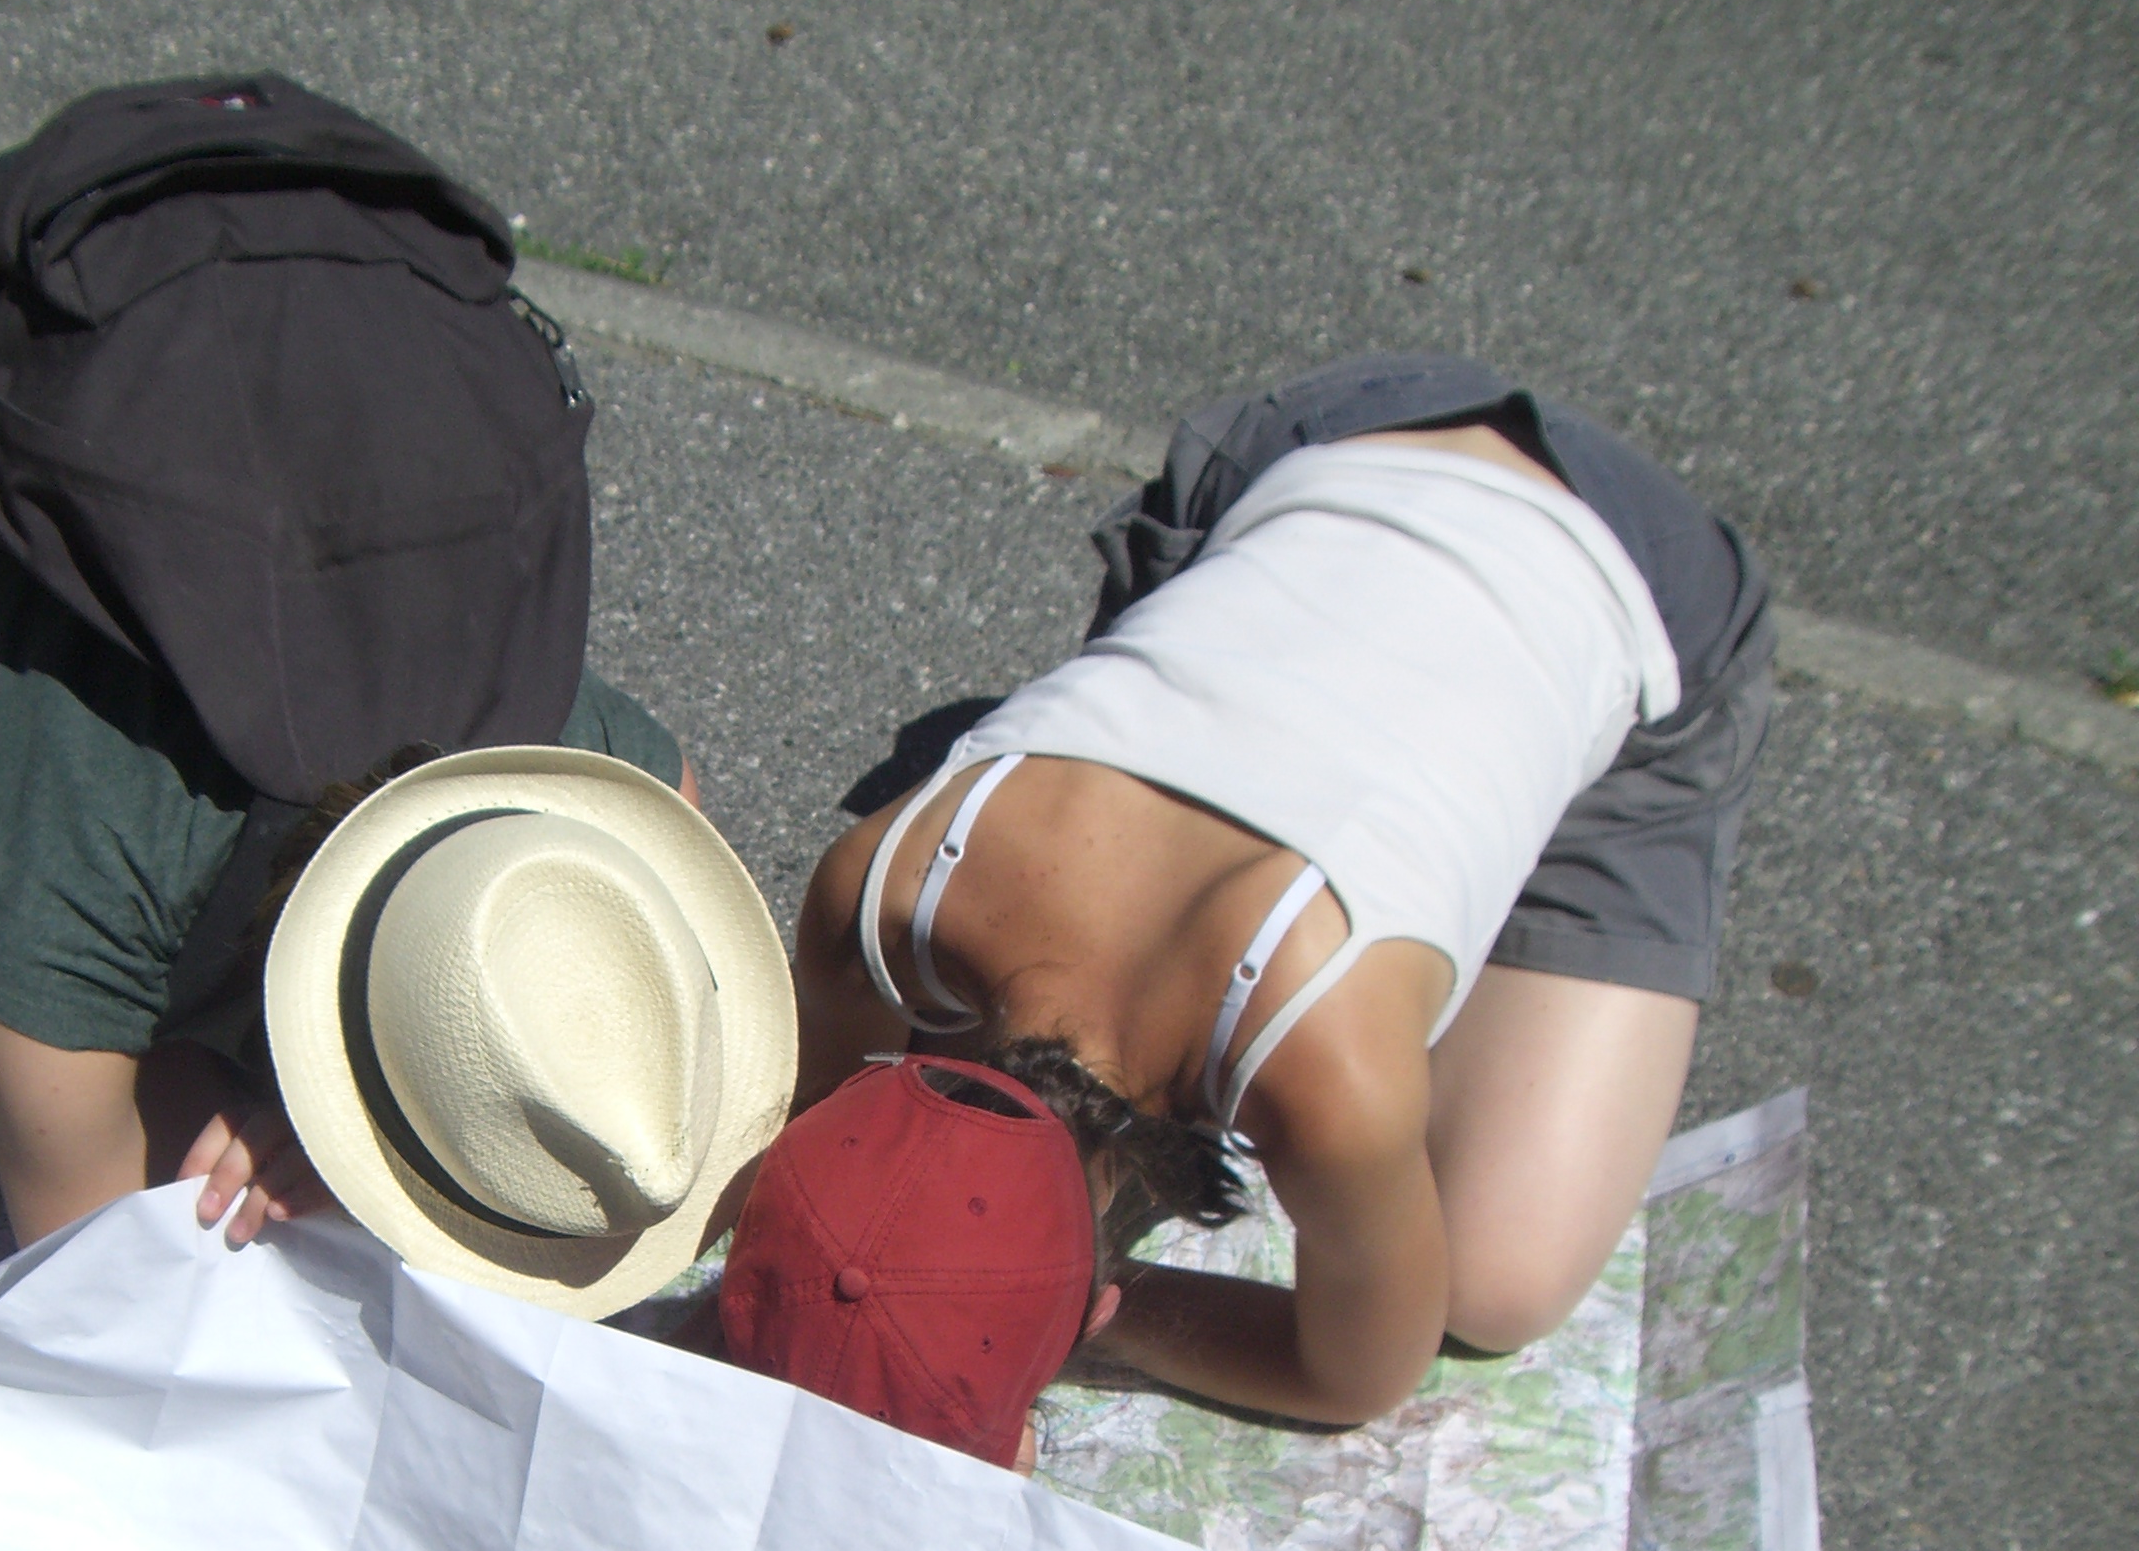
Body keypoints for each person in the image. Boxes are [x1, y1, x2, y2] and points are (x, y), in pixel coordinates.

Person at [0, 78, 705, 1258]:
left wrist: (332, 1136)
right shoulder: (111, 828)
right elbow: (86, 1268)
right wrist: (326, 1152)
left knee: (262, 1177)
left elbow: (673, 827)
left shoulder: (564, 750)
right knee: (203, 1216)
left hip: (199, 384)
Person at [741, 354, 1776, 1436]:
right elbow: (810, 1117)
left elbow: (1355, 1378)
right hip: (1324, 452)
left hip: (1632, 578)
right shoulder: (881, 885)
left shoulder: (1327, 1070)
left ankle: (1561, 771)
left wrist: (1093, 1317)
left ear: (1093, 1294)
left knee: (1496, 1287)